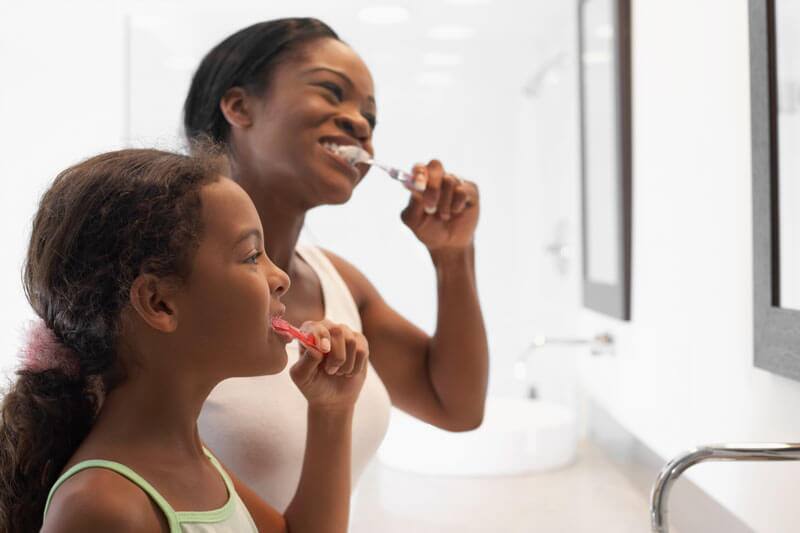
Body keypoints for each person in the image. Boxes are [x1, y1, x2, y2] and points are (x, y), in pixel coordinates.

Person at [184, 17, 489, 510]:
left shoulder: (337, 282)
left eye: (370, 116)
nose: (361, 125)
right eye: (331, 92)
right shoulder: (166, 287)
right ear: (240, 106)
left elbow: (456, 406)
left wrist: (453, 255)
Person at [0, 148, 368, 532]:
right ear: (159, 303)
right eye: (251, 256)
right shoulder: (103, 507)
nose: (280, 278)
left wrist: (332, 411)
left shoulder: (192, 458)